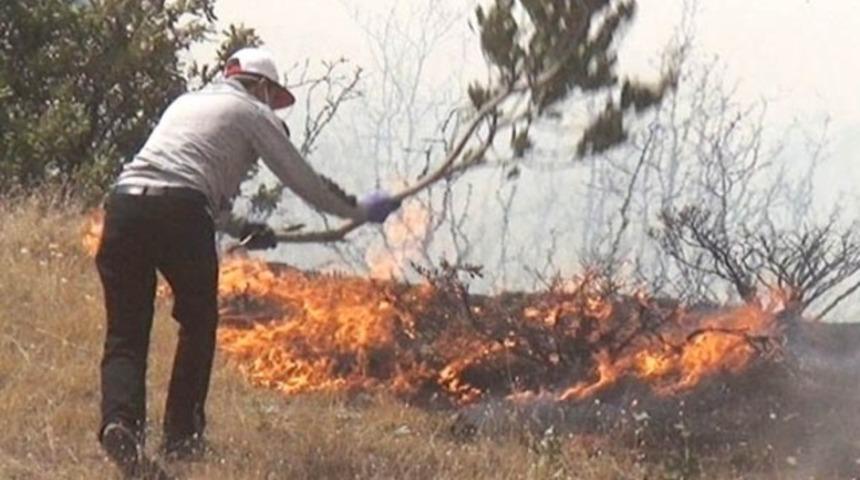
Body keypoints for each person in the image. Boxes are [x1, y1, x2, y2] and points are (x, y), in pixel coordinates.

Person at [94, 47, 400, 475]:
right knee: (198, 322)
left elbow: (179, 175)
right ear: (260, 85)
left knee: (125, 333)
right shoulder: (251, 111)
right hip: (182, 212)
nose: (273, 108)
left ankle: (119, 423)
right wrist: (358, 210)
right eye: (273, 99)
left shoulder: (186, 102)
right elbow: (301, 179)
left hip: (124, 206)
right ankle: (182, 438)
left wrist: (241, 228)